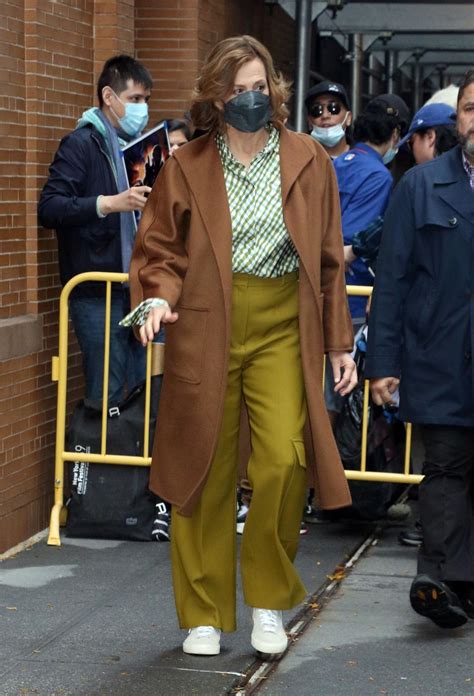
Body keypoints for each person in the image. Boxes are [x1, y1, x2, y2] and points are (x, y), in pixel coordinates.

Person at [121, 35, 357, 657]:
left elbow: (330, 263)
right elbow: (160, 248)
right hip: (205, 321)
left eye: (259, 88)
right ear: (216, 96)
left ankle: (270, 604)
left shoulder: (309, 159)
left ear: (274, 91)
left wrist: (339, 345)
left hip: (285, 322)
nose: (250, 99)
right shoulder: (189, 164)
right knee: (203, 464)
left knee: (284, 459)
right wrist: (154, 296)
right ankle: (203, 613)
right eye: (237, 90)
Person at [365, 68, 474, 629]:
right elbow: (393, 281)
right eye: (471, 109)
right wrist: (383, 363)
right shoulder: (421, 187)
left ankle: (451, 578)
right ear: (458, 120)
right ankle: (440, 578)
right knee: (447, 466)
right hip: (441, 356)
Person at [38, 55, 153, 405]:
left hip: (134, 288)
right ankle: (106, 461)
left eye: (146, 100)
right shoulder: (82, 144)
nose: (142, 109)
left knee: (139, 389)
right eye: (134, 100)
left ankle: (127, 459)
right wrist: (109, 203)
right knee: (109, 391)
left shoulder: (134, 151)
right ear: (108, 96)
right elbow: (50, 207)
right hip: (95, 290)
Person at [305, 80, 352, 158]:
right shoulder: (301, 160)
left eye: (333, 108)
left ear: (348, 118)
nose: (325, 115)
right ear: (309, 122)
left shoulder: (365, 159)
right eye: (317, 110)